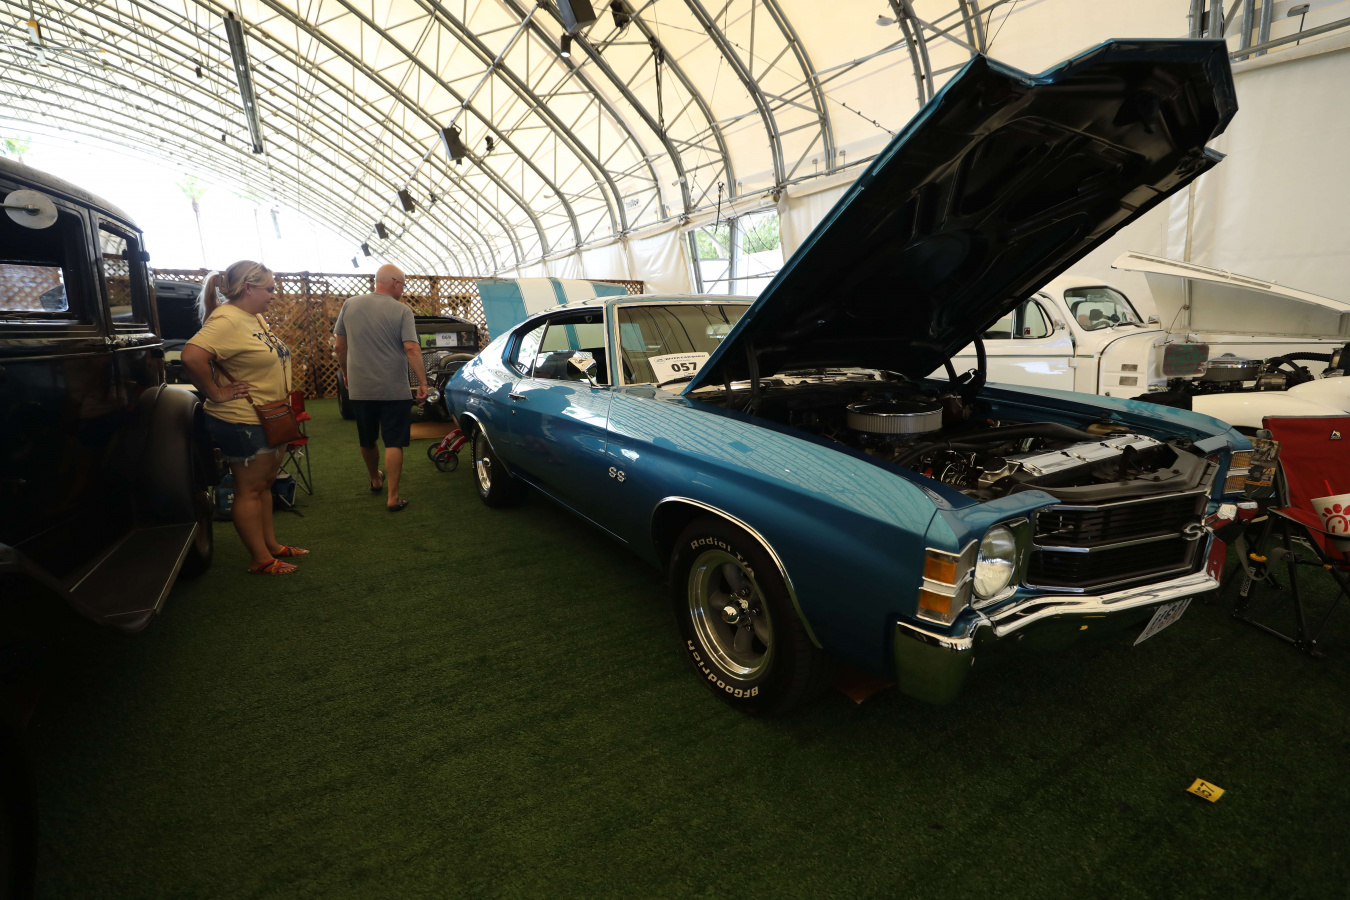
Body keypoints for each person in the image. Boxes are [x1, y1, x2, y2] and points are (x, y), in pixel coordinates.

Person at [181, 261, 308, 575]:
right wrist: (215, 392)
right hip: (242, 420)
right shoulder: (227, 320)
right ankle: (260, 559)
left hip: (268, 415)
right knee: (250, 489)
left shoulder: (253, 317)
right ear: (248, 288)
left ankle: (271, 546)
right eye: (269, 289)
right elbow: (191, 356)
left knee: (264, 485)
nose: (274, 295)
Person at [333, 264, 428, 512]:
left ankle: (375, 479)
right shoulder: (402, 310)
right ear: (395, 283)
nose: (403, 290)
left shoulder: (350, 305)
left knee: (367, 439)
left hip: (361, 388)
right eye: (403, 285)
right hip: (393, 388)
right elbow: (411, 348)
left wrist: (346, 374)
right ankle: (393, 497)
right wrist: (422, 382)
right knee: (393, 441)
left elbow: (339, 347)